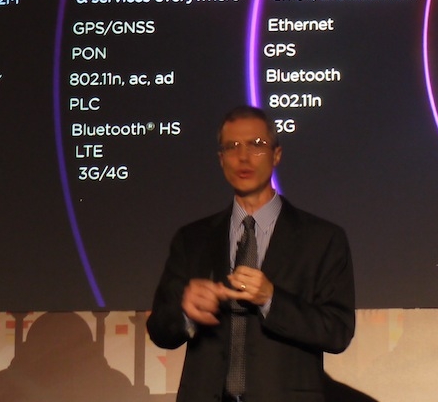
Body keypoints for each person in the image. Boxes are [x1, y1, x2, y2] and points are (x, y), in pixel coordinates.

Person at [147, 105, 355, 402]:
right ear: (221, 159)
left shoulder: (322, 239)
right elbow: (159, 330)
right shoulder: (192, 239)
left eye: (256, 145)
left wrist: (271, 299)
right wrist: (185, 312)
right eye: (232, 147)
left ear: (276, 154)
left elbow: (338, 332)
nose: (243, 157)